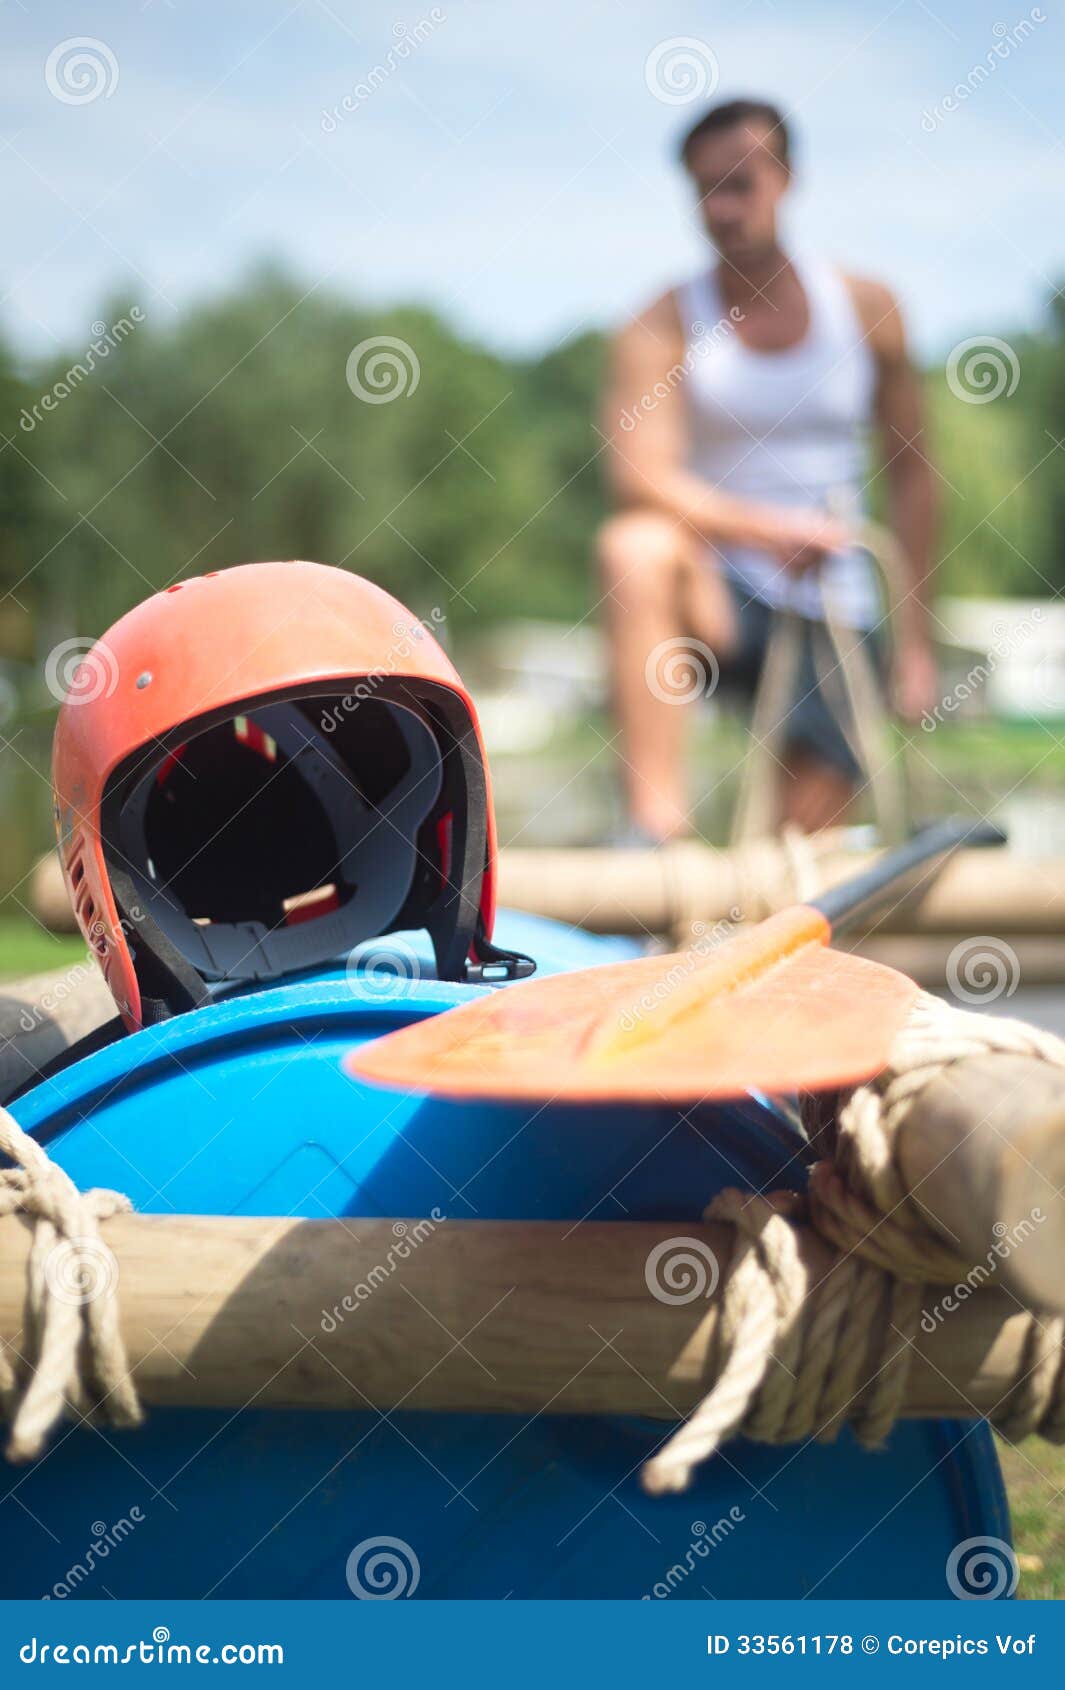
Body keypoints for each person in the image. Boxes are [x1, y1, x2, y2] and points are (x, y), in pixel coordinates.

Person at [597, 97, 938, 840]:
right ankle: (654, 834)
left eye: (742, 183)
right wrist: (764, 531)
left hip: (835, 608)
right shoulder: (660, 321)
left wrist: (915, 641)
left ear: (786, 180)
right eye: (705, 189)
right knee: (633, 547)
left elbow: (912, 472)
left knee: (803, 858)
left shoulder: (867, 306)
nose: (723, 207)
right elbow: (638, 474)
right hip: (719, 595)